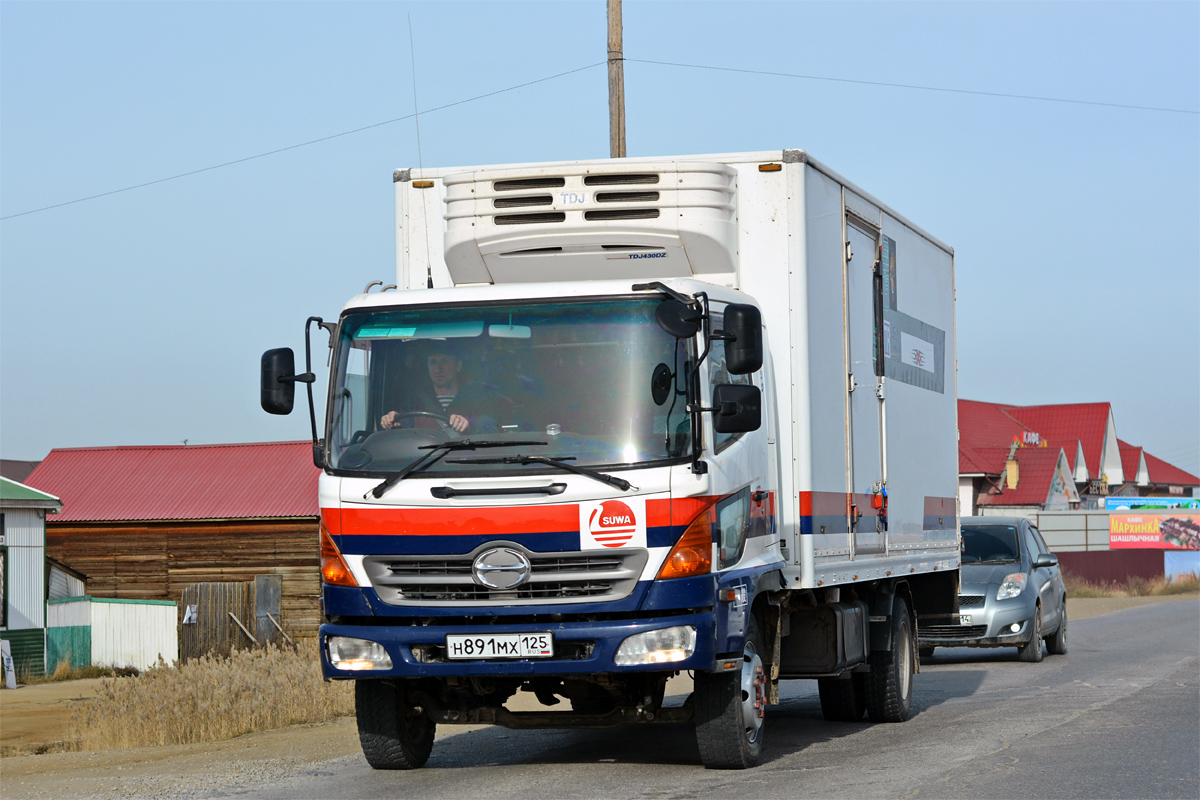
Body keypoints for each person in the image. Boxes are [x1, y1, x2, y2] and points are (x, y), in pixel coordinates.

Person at [380, 342, 479, 433]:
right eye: (433, 362)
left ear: (458, 366)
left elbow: (491, 428)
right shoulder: (414, 403)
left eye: (444, 361)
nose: (437, 369)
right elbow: (404, 435)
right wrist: (393, 422)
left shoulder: (477, 401)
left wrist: (469, 426)